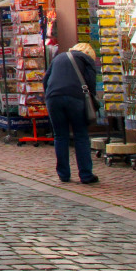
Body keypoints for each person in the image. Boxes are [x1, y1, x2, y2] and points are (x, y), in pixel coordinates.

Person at [43, 43, 100, 184]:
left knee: (60, 136)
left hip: (53, 98)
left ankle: (63, 174)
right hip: (75, 98)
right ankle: (86, 175)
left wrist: (50, 96)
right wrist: (92, 100)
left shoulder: (58, 58)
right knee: (80, 135)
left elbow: (45, 80)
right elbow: (91, 83)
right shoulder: (87, 60)